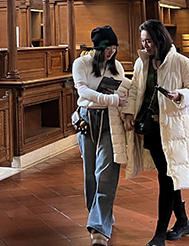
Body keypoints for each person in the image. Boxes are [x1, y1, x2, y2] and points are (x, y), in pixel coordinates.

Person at [123, 20, 189, 246]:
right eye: (143, 41)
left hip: (174, 129)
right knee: (167, 175)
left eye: (149, 41)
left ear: (160, 39)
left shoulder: (181, 62)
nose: (146, 45)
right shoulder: (143, 63)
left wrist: (180, 96)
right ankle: (183, 222)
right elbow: (135, 89)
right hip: (151, 128)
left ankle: (159, 234)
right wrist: (129, 113)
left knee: (167, 178)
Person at [71, 26, 130, 246]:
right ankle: (101, 216)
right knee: (90, 175)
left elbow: (122, 90)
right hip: (87, 120)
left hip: (110, 121)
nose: (111, 52)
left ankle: (98, 229)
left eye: (114, 47)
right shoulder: (81, 64)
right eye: (107, 47)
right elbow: (83, 92)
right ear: (97, 47)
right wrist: (112, 99)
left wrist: (121, 105)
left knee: (105, 172)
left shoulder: (117, 67)